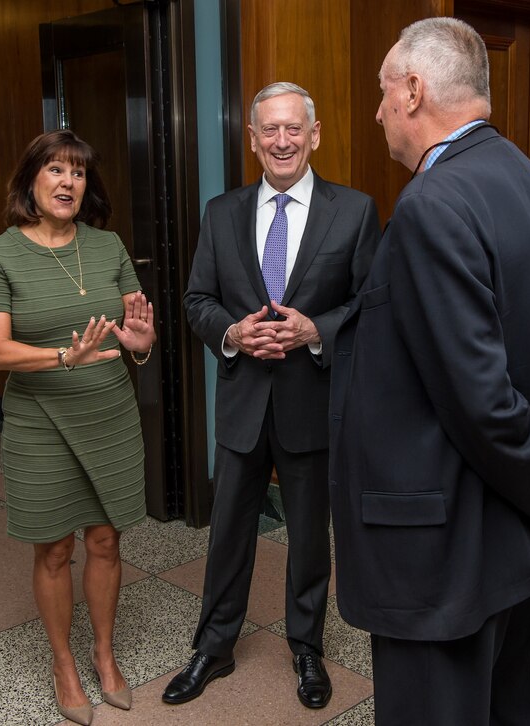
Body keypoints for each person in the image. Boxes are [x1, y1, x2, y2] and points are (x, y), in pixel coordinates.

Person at [329, 17, 530, 725]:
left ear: (415, 90)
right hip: (514, 534)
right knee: (509, 697)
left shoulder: (432, 203)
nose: (378, 111)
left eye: (383, 91)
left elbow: (477, 395)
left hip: (443, 548)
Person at [166, 82, 380, 709]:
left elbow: (370, 305)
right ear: (253, 140)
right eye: (269, 131)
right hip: (242, 403)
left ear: (314, 135)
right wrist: (231, 332)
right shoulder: (221, 212)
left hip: (312, 401)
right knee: (229, 529)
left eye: (294, 129)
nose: (282, 141)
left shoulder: (356, 211)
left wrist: (318, 329)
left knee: (311, 535)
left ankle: (307, 648)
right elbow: (196, 299)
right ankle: (214, 646)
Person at [0, 129, 155, 726]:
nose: (68, 182)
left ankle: (104, 655)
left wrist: (143, 343)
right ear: (31, 180)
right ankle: (63, 662)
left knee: (105, 540)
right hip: (39, 418)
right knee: (53, 548)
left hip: (108, 411)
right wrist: (60, 358)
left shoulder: (107, 248)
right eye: (55, 170)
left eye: (77, 173)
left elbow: (136, 331)